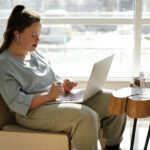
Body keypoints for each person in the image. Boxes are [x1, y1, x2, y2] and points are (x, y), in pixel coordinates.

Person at [0, 5, 126, 150]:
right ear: (17, 35)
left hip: (56, 100)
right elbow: (16, 103)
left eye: (39, 34)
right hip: (31, 112)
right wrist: (48, 96)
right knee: (86, 117)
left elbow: (53, 79)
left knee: (114, 100)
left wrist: (63, 85)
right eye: (33, 35)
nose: (38, 39)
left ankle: (113, 147)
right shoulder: (4, 63)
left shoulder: (33, 53)